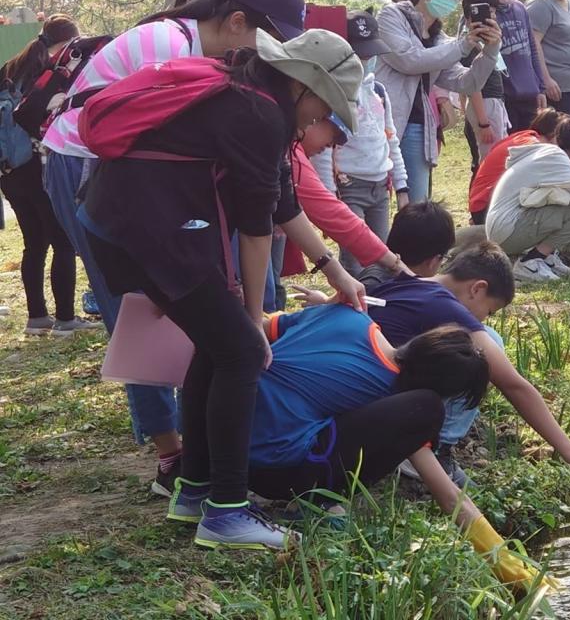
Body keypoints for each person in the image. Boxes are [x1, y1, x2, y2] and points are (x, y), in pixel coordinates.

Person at [79, 28, 365, 551]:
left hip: (127, 220)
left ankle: (195, 490)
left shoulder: (257, 102)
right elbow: (257, 231)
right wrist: (253, 319)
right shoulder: (258, 114)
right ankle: (228, 513)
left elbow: (278, 200)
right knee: (239, 351)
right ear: (305, 85)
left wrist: (336, 270)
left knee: (219, 346)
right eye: (326, 105)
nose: (322, 116)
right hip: (148, 228)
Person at [41, 0, 312, 496]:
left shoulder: (222, 65)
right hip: (89, 165)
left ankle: (196, 464)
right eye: (270, 39)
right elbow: (136, 134)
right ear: (237, 22)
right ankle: (173, 454)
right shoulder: (170, 41)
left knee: (198, 315)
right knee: (139, 312)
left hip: (132, 182)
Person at [237, 303, 549, 590]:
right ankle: (313, 503)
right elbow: (449, 495)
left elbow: (263, 327)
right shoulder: (397, 399)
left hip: (225, 440)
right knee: (427, 411)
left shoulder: (350, 317)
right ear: (440, 388)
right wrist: (505, 560)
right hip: (272, 472)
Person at [299, 242, 570, 486]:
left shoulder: (407, 282)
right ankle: (436, 446)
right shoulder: (446, 307)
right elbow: (513, 384)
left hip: (336, 390)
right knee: (487, 344)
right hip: (364, 407)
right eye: (490, 308)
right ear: (477, 288)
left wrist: (321, 300)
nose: (484, 316)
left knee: (484, 336)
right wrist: (567, 446)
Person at [0, 15, 98, 336]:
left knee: (33, 244)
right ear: (67, 41)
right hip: (39, 167)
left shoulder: (9, 69)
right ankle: (66, 319)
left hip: (9, 171)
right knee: (62, 242)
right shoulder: (51, 74)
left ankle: (36, 318)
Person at [376, 0, 502, 202]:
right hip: (382, 126)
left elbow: (467, 82)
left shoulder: (440, 39)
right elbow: (409, 60)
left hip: (418, 127)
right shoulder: (391, 17)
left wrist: (490, 51)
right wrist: (463, 45)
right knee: (375, 202)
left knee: (417, 207)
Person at [311, 10, 410, 277]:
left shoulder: (379, 92)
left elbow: (391, 139)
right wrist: (329, 194)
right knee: (354, 260)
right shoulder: (331, 96)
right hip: (348, 186)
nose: (366, 61)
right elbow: (322, 150)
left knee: (380, 255)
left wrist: (401, 184)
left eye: (370, 55)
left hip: (381, 185)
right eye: (359, 56)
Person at [486, 118, 570, 282]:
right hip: (507, 231)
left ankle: (547, 256)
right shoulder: (558, 160)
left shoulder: (552, 155)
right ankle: (531, 263)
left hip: (505, 228)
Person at [468, 107, 564, 226]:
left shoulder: (524, 136)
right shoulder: (534, 146)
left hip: (481, 204)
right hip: (486, 209)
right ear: (554, 135)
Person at [486, 0, 546, 132]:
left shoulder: (520, 8)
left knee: (529, 148)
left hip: (529, 94)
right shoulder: (481, 11)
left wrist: (540, 87)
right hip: (503, 97)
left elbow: (532, 48)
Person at [460, 0, 510, 171]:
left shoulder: (486, 43)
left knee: (499, 156)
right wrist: (483, 122)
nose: (492, 17)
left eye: (493, 12)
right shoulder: (470, 45)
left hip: (494, 102)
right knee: (490, 161)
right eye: (486, 12)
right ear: (469, 17)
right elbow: (473, 86)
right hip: (485, 105)